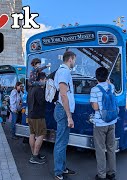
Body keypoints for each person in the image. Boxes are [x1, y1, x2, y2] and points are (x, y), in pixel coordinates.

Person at [90, 67, 117, 180]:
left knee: (100, 149)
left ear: (96, 77)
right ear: (107, 77)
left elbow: (95, 107)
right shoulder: (112, 87)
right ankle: (112, 173)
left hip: (100, 123)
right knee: (111, 147)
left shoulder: (95, 89)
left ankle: (101, 175)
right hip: (112, 121)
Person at [53, 51, 77, 180]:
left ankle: (62, 168)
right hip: (63, 110)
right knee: (61, 142)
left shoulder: (63, 71)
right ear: (71, 59)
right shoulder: (64, 71)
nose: (75, 62)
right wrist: (69, 116)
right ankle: (58, 172)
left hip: (62, 110)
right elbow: (63, 95)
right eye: (75, 60)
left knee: (63, 141)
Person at [28, 72, 47, 165]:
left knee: (32, 134)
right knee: (41, 134)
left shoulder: (31, 88)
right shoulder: (39, 89)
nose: (45, 81)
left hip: (31, 115)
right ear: (40, 80)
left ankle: (34, 154)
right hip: (38, 115)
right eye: (45, 80)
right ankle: (35, 156)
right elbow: (42, 101)